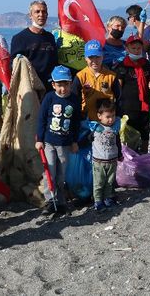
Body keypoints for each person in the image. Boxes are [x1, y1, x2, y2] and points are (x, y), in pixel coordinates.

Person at [35, 66, 81, 216]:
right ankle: (50, 201)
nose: (63, 88)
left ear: (70, 84)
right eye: (59, 85)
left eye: (66, 84)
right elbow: (41, 119)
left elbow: (75, 122)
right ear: (53, 84)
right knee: (49, 172)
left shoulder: (73, 99)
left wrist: (75, 141)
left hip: (65, 144)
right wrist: (39, 139)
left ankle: (61, 202)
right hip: (48, 142)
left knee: (61, 175)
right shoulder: (49, 98)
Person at [112, 33, 150, 152]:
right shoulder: (122, 66)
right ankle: (130, 159)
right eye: (133, 48)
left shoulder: (146, 64)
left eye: (139, 48)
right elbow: (118, 88)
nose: (136, 50)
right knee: (129, 134)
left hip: (145, 105)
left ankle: (144, 156)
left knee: (146, 132)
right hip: (128, 106)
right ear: (127, 48)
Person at [10, 0, 58, 89]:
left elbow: (55, 61)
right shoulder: (19, 38)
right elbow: (14, 65)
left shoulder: (50, 37)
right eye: (37, 12)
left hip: (50, 86)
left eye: (44, 12)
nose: (41, 14)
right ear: (30, 16)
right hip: (30, 87)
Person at [71, 40, 120, 121]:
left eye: (97, 57)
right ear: (85, 58)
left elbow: (119, 98)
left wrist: (118, 116)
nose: (94, 61)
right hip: (87, 120)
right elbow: (74, 98)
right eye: (91, 57)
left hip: (108, 121)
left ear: (102, 56)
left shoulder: (111, 76)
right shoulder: (80, 76)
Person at [89, 99, 122, 211]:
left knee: (109, 182)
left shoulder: (115, 127)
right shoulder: (95, 127)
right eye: (108, 116)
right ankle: (98, 201)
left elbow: (118, 141)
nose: (111, 119)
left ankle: (108, 198)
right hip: (99, 162)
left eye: (113, 115)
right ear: (99, 116)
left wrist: (120, 154)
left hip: (112, 160)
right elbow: (88, 139)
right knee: (98, 182)